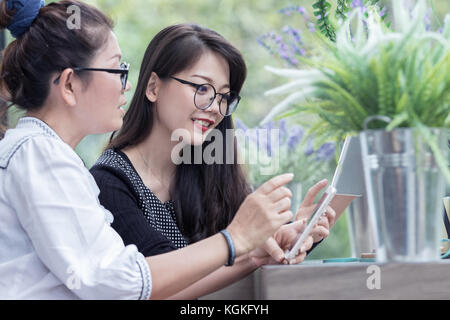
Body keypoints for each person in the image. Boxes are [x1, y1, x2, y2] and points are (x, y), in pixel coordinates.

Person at [0, 0, 308, 299]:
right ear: (69, 84)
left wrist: (254, 251)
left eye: (224, 96)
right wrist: (236, 239)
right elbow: (120, 283)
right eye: (116, 70)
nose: (126, 85)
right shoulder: (42, 157)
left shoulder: (45, 156)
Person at [90, 23, 337, 299]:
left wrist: (291, 237)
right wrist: (250, 252)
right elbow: (156, 284)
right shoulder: (108, 184)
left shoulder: (211, 169)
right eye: (202, 88)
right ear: (153, 87)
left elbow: (249, 245)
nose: (214, 108)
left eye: (223, 96)